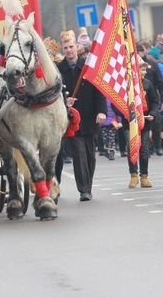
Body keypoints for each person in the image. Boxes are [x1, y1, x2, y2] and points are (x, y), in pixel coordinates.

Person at [56, 30, 107, 201]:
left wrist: (102, 111)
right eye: (66, 47)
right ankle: (84, 189)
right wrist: (64, 101)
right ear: (63, 49)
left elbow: (99, 91)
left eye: (71, 47)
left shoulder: (88, 67)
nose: (69, 50)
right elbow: (53, 95)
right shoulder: (58, 71)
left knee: (90, 154)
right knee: (79, 154)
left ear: (77, 47)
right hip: (72, 120)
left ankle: (88, 184)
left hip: (91, 116)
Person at [127, 58, 157, 188]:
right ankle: (133, 175)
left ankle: (144, 176)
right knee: (131, 148)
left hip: (145, 121)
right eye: (142, 69)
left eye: (145, 69)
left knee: (144, 149)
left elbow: (155, 102)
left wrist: (153, 114)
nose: (144, 72)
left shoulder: (148, 84)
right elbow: (118, 104)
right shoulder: (126, 86)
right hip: (130, 122)